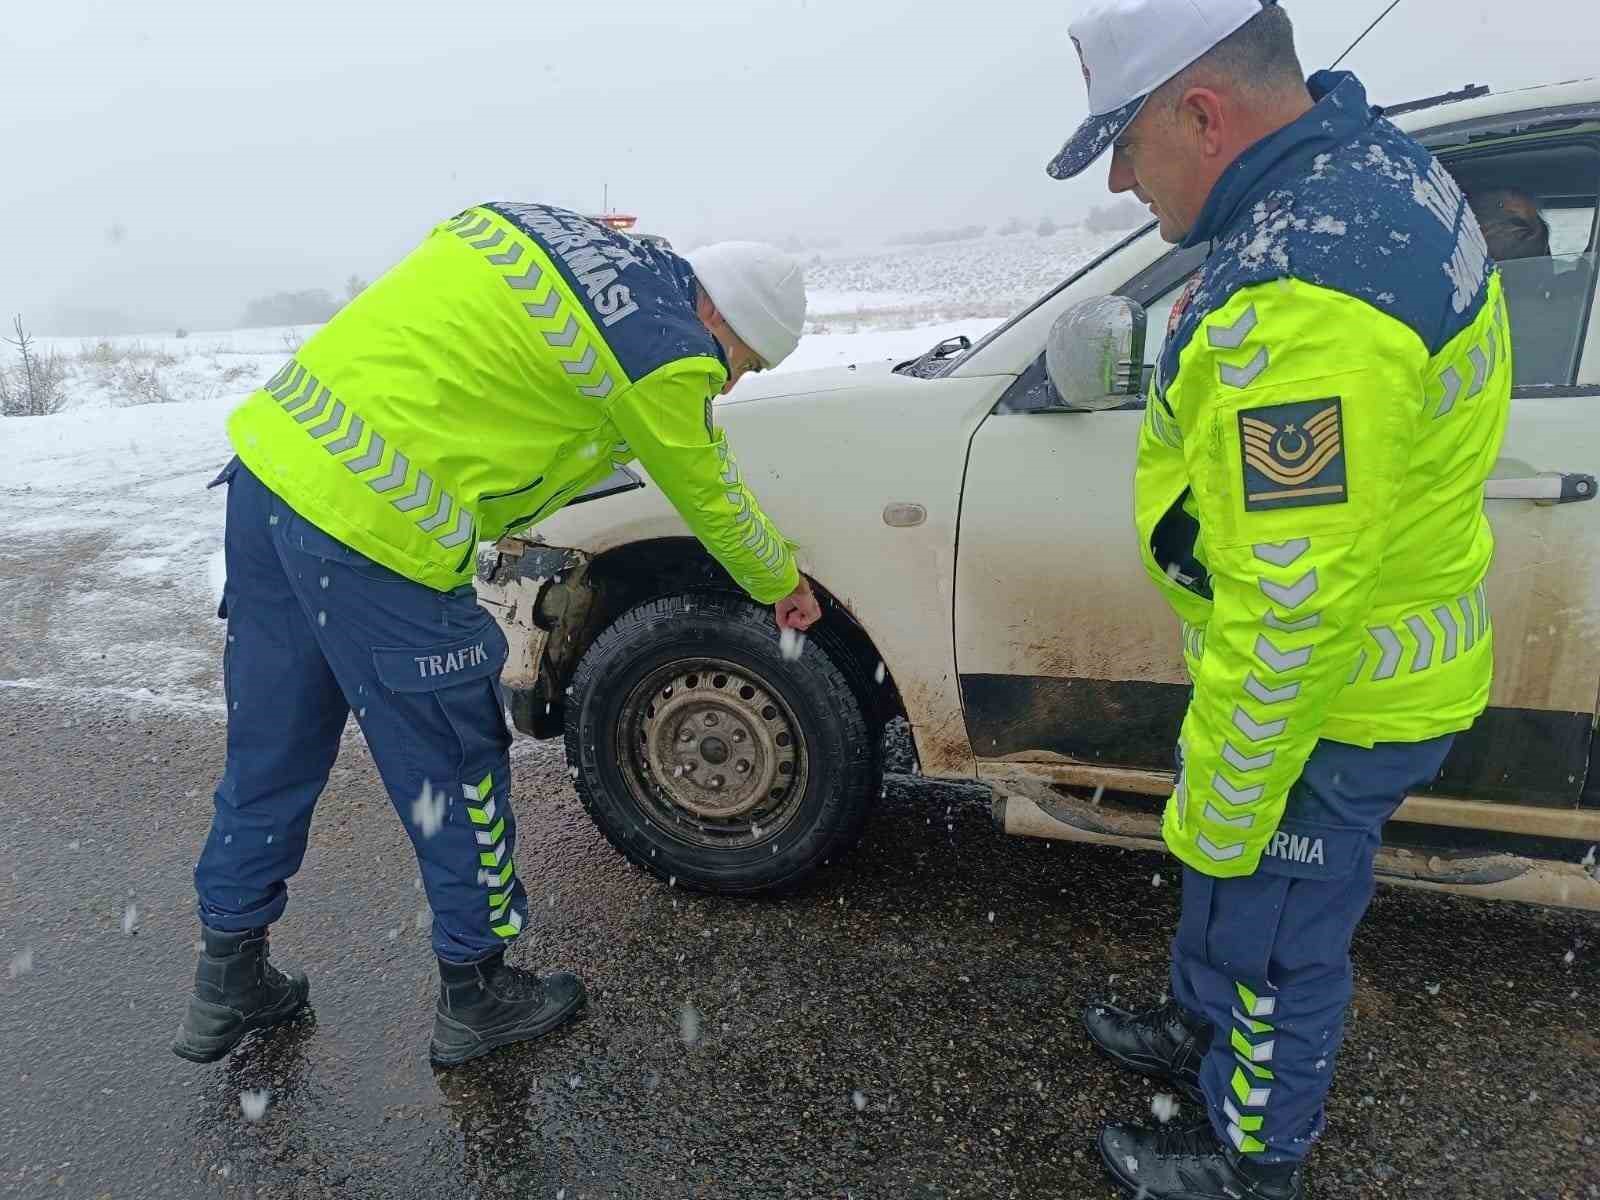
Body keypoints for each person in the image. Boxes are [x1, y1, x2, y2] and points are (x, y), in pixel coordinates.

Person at [172, 204, 821, 1068]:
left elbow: (473, 238)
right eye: (744, 361)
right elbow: (709, 492)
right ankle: (477, 991)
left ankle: (228, 973)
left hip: (271, 474)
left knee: (273, 742)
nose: (728, 384)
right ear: (719, 317)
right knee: (453, 763)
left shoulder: (538, 226)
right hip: (374, 532)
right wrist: (781, 583)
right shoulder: (666, 351)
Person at [1046, 2, 1511, 1197]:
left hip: (1330, 693)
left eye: (1125, 144)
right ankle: (1200, 1026)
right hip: (1327, 663)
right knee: (1237, 878)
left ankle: (1250, 1155)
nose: (1118, 180)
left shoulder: (1309, 300)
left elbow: (1293, 609)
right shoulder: (1357, 174)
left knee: (1275, 929)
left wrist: (1220, 802)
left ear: (1202, 114)